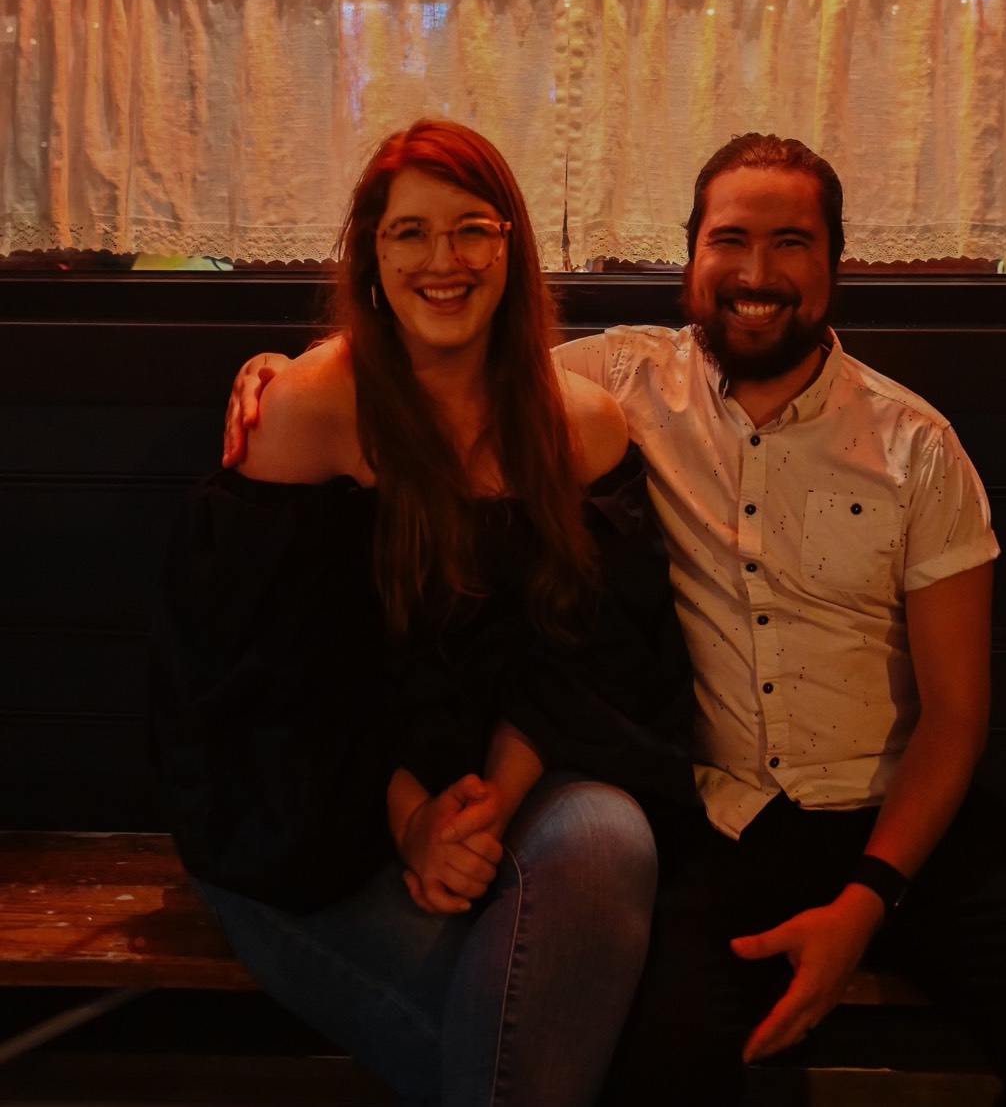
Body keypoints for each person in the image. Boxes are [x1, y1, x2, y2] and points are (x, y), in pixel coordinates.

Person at [224, 130, 1006, 1107]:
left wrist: (867, 900)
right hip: (720, 825)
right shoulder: (616, 388)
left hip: (905, 828)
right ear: (690, 255)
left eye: (792, 244)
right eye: (730, 240)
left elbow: (955, 717)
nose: (756, 273)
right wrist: (285, 369)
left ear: (835, 263)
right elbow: (446, 344)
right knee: (653, 1079)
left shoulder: (918, 446)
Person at [152, 119, 696, 1107]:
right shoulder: (313, 410)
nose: (442, 260)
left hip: (501, 794)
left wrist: (486, 798)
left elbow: (594, 654)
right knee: (544, 1052)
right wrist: (409, 818)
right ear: (371, 255)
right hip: (309, 817)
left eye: (470, 229)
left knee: (612, 835)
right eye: (409, 233)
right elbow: (267, 684)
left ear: (511, 247)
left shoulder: (581, 425)